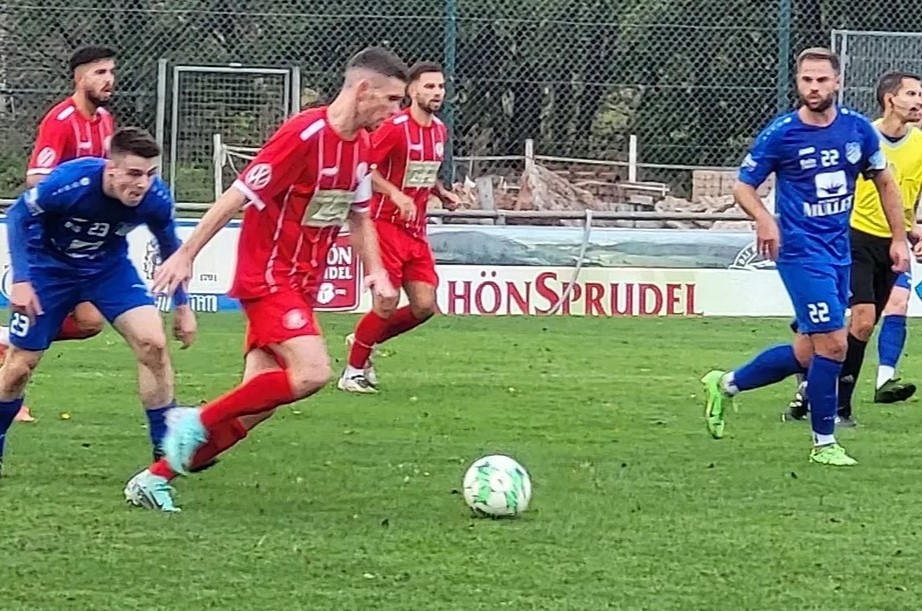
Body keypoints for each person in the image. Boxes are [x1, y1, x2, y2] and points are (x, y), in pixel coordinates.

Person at [122, 46, 409, 512]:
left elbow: (358, 217)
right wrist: (186, 255)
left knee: (257, 405)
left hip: (301, 285)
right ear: (362, 90)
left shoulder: (360, 147)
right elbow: (236, 196)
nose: (397, 110)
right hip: (270, 277)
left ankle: (154, 479)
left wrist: (375, 271)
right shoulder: (303, 135)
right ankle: (194, 419)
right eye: (392, 99)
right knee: (313, 373)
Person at [698, 47, 910, 467]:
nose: (814, 87)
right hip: (799, 252)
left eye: (822, 80)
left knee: (808, 353)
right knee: (835, 344)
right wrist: (764, 219)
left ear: (837, 83)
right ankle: (824, 443)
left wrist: (899, 238)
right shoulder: (782, 133)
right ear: (798, 83)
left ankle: (725, 385)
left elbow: (885, 183)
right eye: (806, 80)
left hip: (840, 250)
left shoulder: (857, 130)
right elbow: (743, 186)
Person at [0, 127, 197, 477]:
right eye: (134, 173)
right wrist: (22, 280)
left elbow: (172, 250)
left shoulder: (155, 198)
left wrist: (183, 305)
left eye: (150, 174)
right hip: (48, 270)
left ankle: (165, 450)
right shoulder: (72, 182)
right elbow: (18, 215)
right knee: (19, 368)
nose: (142, 184)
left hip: (108, 270)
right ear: (111, 169)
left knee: (153, 343)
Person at [784, 71, 922, 425]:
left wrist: (911, 231)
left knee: (862, 326)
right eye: (911, 94)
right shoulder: (861, 136)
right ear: (890, 99)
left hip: (891, 244)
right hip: (852, 237)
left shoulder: (920, 145)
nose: (919, 101)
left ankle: (811, 386)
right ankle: (840, 409)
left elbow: (910, 196)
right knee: (860, 320)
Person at [5, 45, 118, 423]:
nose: (109, 80)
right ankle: (12, 403)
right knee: (28, 352)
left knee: (89, 322)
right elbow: (36, 178)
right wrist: (76, 189)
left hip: (79, 244)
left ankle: (6, 339)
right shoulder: (61, 120)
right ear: (79, 77)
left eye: (111, 72)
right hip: (46, 244)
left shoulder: (105, 120)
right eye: (100, 72)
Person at [339, 60, 459, 393]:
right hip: (384, 226)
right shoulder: (395, 128)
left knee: (424, 306)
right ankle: (352, 373)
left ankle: (362, 339)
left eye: (440, 87)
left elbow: (424, 171)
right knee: (386, 302)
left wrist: (441, 193)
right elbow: (366, 167)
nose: (437, 93)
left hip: (415, 230)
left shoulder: (439, 130)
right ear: (412, 90)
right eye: (429, 86)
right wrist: (393, 193)